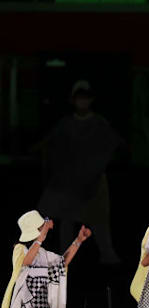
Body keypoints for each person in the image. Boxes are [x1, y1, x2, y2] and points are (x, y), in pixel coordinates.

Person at [36, 80, 123, 264]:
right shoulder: (66, 124)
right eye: (79, 98)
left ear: (91, 100)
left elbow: (113, 146)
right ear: (73, 100)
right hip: (71, 181)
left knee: (99, 219)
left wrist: (96, 167)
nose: (83, 102)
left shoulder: (99, 123)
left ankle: (107, 255)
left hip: (95, 179)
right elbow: (50, 144)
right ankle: (64, 258)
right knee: (67, 219)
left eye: (86, 98)